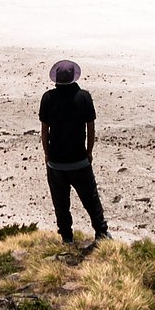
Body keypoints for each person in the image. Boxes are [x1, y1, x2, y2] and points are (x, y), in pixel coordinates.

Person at [38, 58, 109, 245]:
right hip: (79, 159)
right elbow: (91, 127)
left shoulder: (48, 98)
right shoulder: (84, 96)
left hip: (56, 161)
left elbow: (45, 130)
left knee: (60, 203)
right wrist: (89, 151)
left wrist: (47, 153)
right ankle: (101, 232)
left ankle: (67, 238)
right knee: (91, 198)